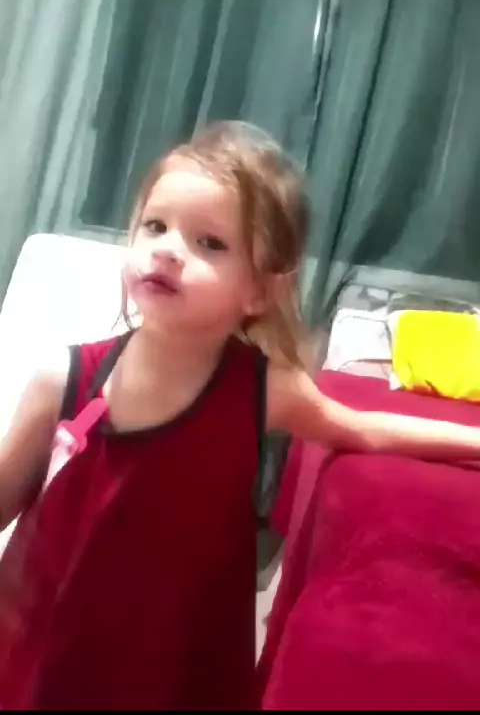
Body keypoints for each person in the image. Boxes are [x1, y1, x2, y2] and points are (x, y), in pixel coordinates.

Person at [1, 121, 480, 711]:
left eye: (210, 243)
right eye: (155, 226)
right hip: (51, 648)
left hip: (176, 660)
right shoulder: (61, 382)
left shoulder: (263, 390)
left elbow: (362, 429)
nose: (167, 250)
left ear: (258, 292)